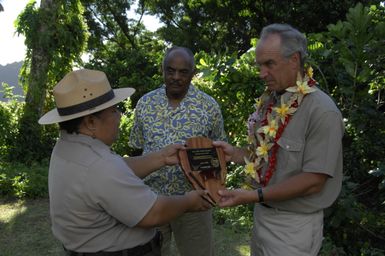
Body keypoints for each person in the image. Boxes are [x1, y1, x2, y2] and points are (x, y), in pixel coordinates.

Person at [38, 68, 212, 256]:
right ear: (90, 123)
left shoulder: (67, 147)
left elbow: (114, 173)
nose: (119, 115)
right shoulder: (100, 165)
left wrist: (160, 158)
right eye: (113, 110)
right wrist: (189, 201)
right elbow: (153, 213)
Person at [213, 24, 344, 256]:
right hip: (262, 216)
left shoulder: (322, 111)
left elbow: (314, 180)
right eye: (260, 65)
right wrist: (233, 153)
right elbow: (265, 160)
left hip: (294, 227)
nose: (262, 73)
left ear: (294, 60)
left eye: (269, 64)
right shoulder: (273, 102)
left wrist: (254, 196)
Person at [129, 46, 227, 256]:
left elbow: (220, 154)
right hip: (151, 200)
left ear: (193, 73)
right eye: (170, 70)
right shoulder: (145, 104)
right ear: (162, 70)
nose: (176, 77)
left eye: (183, 72)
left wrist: (211, 189)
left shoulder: (208, 107)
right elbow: (137, 149)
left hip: (194, 202)